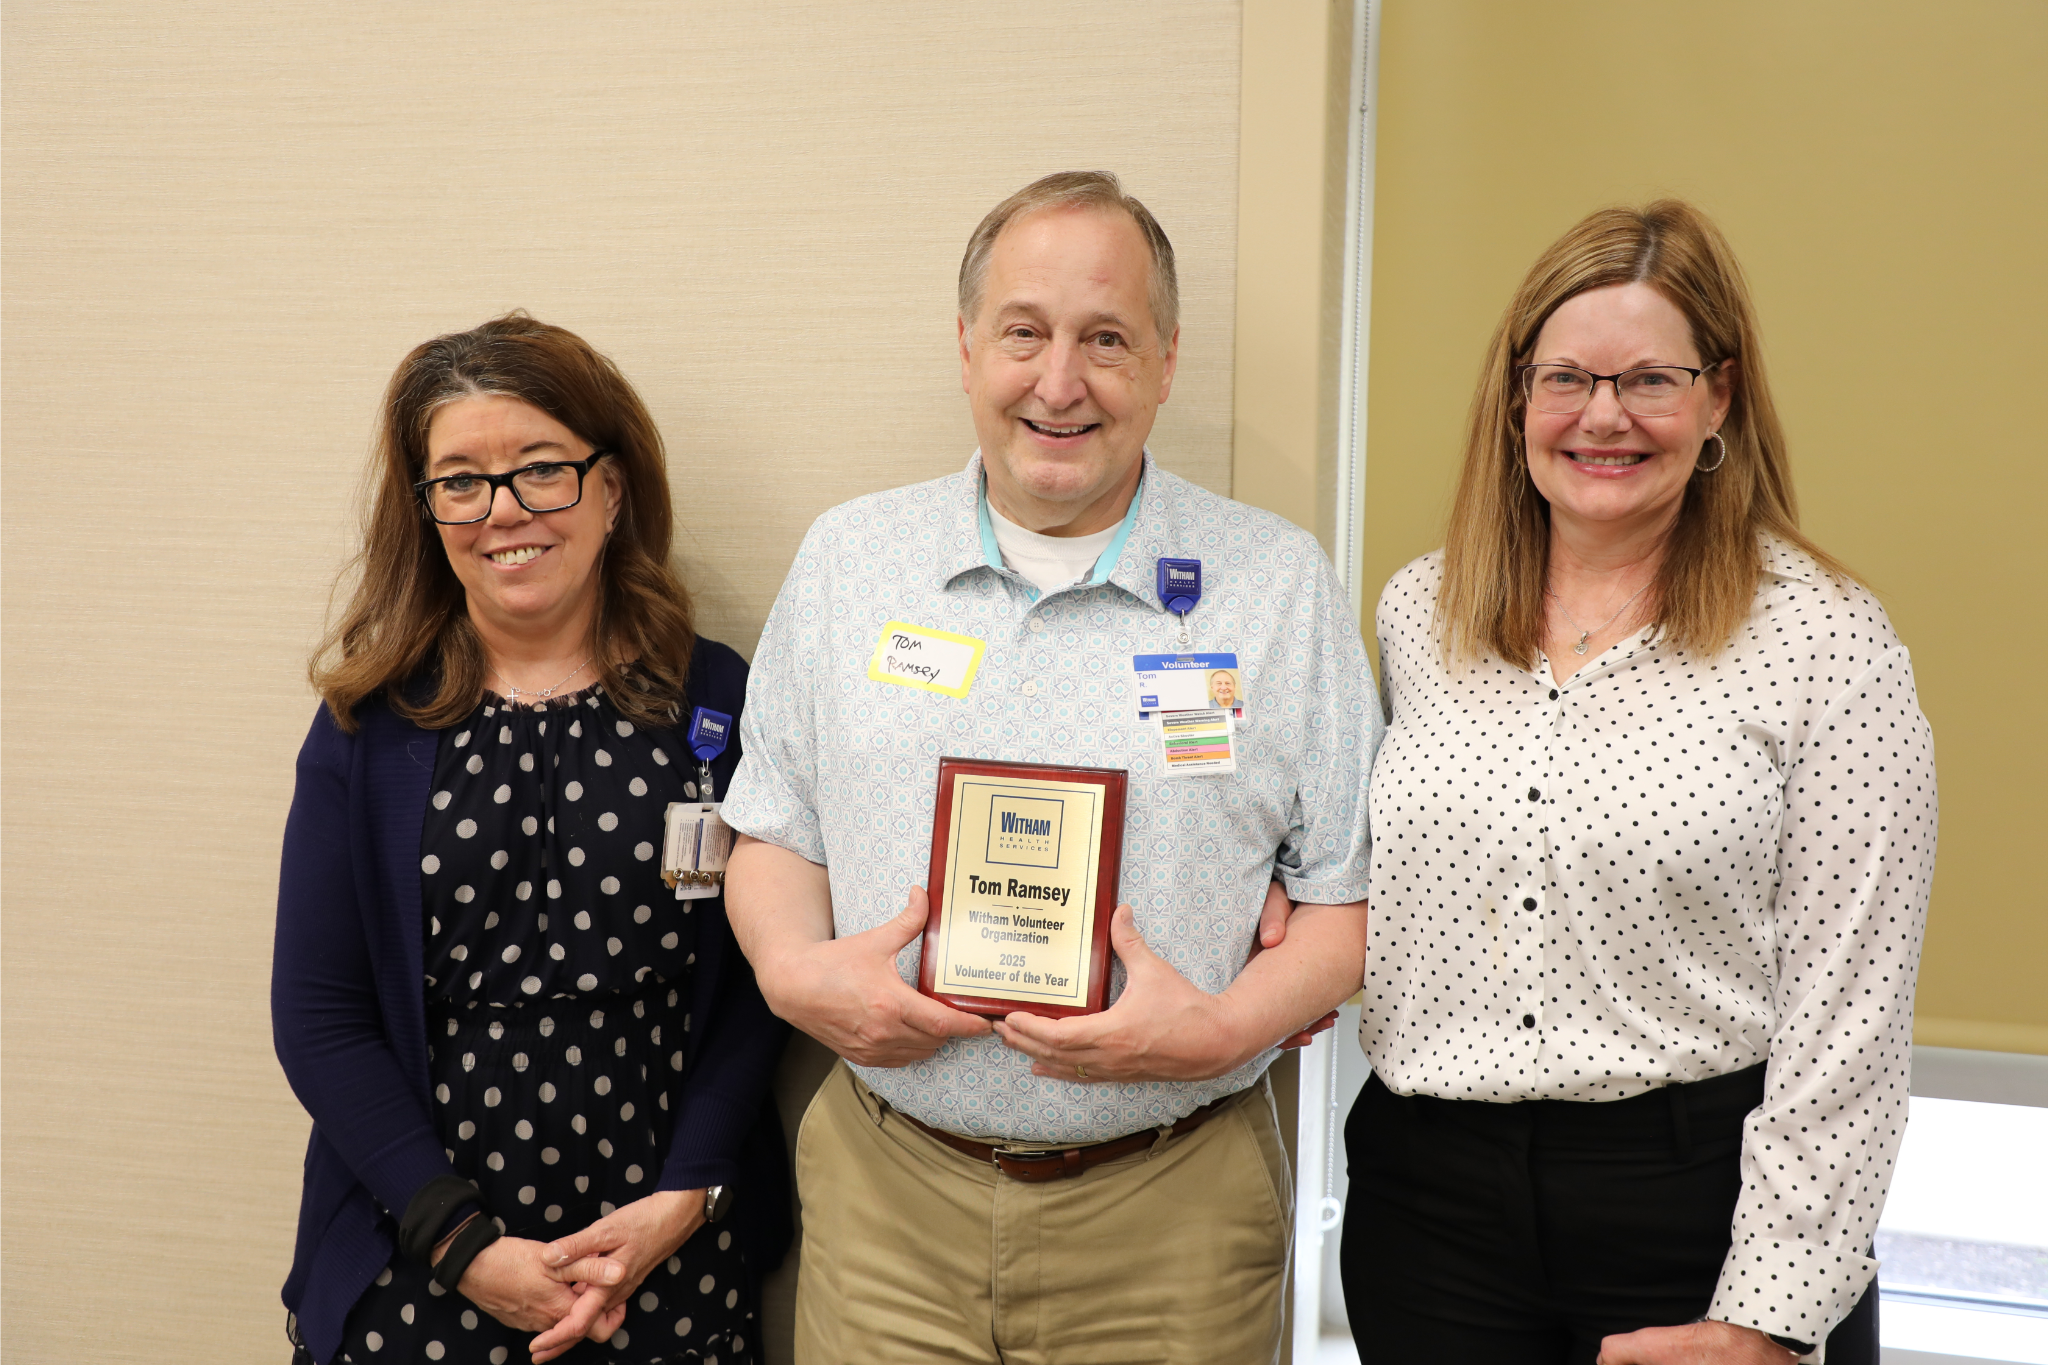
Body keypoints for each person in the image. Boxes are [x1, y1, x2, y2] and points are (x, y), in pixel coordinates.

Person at [719, 170, 1380, 1364]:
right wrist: (789, 970)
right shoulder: (849, 560)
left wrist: (1222, 1027)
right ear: (966, 345)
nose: (1059, 382)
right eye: (1023, 332)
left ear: (1167, 361)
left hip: (1172, 1218)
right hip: (887, 1205)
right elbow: (774, 827)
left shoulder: (1274, 585)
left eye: (1107, 339)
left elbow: (1345, 899)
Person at [1343, 201, 1937, 1365]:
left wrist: (1764, 1316)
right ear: (1515, 397)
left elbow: (1850, 1019)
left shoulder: (1825, 643)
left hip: (1697, 1214)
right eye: (1564, 377)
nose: (1601, 416)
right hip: (1428, 1216)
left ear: (1718, 396)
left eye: (1648, 380)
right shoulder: (1419, 613)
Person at [273, 313, 790, 1365]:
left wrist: (683, 1200)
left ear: (611, 487)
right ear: (423, 511)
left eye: (541, 468)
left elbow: (753, 991)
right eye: (460, 481)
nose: (502, 511)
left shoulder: (719, 704)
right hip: (418, 1246)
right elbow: (319, 1016)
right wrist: (462, 1245)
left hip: (662, 1248)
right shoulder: (366, 733)